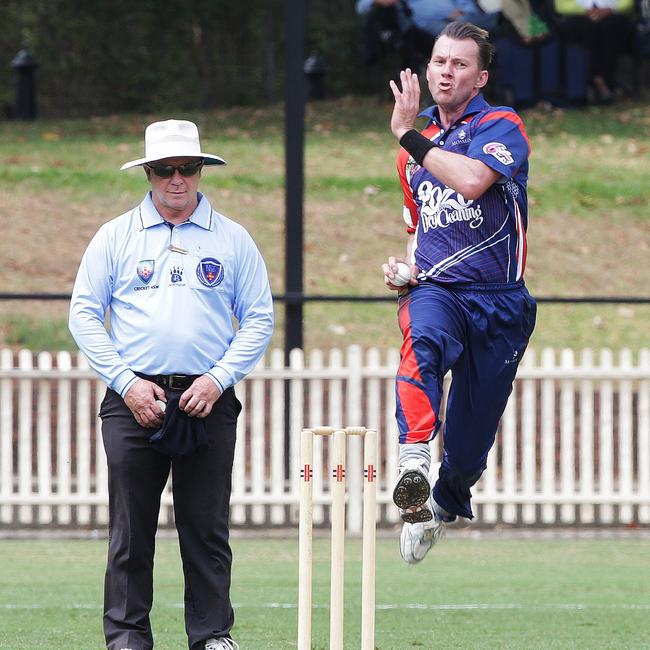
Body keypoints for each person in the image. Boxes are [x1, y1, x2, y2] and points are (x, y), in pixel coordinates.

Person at [69, 119, 274, 650]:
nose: (176, 179)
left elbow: (258, 319)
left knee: (206, 527)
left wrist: (218, 378)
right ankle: (127, 637)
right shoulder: (116, 236)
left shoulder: (232, 238)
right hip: (131, 394)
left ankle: (211, 636)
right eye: (165, 169)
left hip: (207, 394)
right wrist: (126, 383)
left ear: (201, 170)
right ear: (148, 173)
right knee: (131, 530)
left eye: (187, 168)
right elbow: (84, 316)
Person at [382, 23, 537, 563]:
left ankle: (442, 503)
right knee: (420, 339)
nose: (446, 71)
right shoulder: (413, 153)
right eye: (439, 61)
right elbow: (418, 227)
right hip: (440, 291)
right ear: (427, 69)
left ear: (480, 76)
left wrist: (410, 137)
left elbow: (472, 181)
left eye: (460, 64)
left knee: (470, 445)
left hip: (500, 301)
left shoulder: (501, 124)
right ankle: (413, 462)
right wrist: (404, 268)